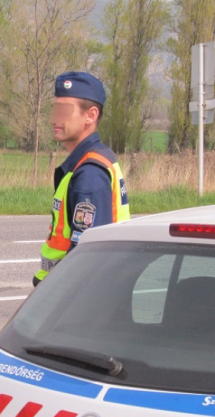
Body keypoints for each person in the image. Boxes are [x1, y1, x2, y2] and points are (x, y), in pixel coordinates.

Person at [33, 71, 131, 286]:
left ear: (91, 115)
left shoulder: (90, 174)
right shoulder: (89, 161)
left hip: (69, 296)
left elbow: (88, 257)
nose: (54, 119)